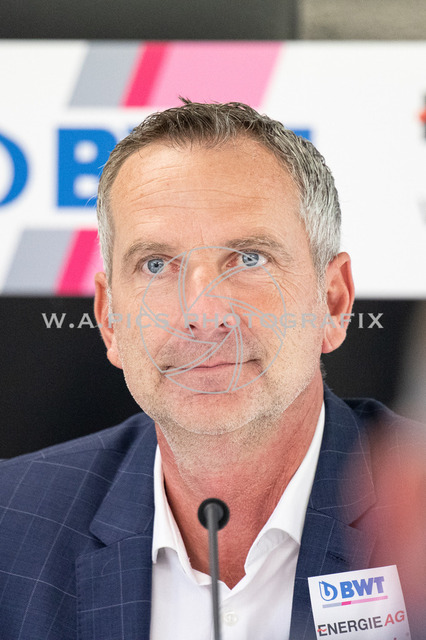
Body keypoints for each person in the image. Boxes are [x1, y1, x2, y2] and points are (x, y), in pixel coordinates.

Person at [0, 100, 424, 640]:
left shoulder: (414, 511)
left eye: (248, 258)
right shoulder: (11, 521)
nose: (202, 313)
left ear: (333, 302)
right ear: (109, 321)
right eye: (157, 265)